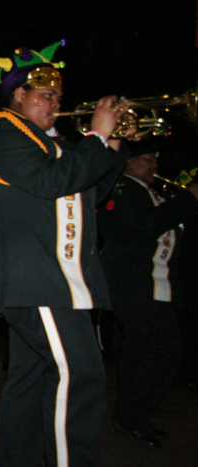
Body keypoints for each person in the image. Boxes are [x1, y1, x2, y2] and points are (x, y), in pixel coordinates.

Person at [0, 42, 130, 467]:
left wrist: (112, 147)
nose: (57, 103)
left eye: (59, 95)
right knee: (78, 375)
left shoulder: (52, 143)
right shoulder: (2, 130)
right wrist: (96, 137)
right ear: (19, 93)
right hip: (38, 279)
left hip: (56, 280)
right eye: (47, 94)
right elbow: (51, 183)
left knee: (30, 381)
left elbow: (87, 192)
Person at [97, 144, 198, 449]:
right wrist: (189, 197)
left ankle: (132, 416)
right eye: (147, 159)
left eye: (156, 159)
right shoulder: (123, 190)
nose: (154, 165)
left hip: (152, 283)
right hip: (133, 284)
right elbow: (147, 224)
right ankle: (133, 415)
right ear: (128, 163)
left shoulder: (151, 193)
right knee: (164, 345)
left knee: (140, 348)